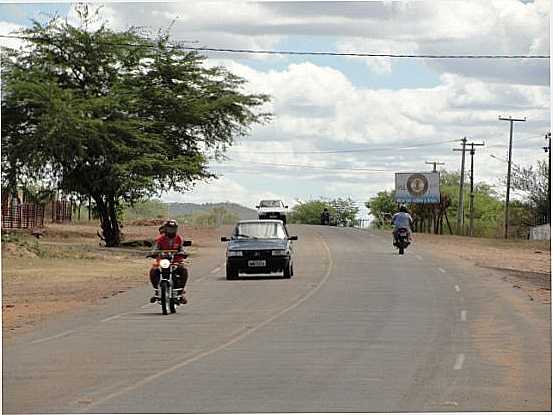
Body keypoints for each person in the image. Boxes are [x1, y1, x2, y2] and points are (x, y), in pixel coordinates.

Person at [149, 219, 188, 304]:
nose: (171, 231)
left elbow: (182, 249)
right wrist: (153, 253)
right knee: (153, 270)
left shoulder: (179, 238)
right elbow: (155, 248)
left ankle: (180, 292)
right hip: (162, 261)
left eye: (173, 229)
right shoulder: (160, 239)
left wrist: (183, 253)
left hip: (176, 261)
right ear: (165, 229)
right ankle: (156, 291)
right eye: (169, 229)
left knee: (184, 270)